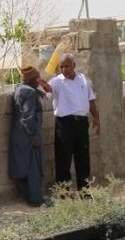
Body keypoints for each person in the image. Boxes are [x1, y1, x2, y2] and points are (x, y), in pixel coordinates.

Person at [45, 53, 100, 190]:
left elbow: (91, 100)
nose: (64, 70)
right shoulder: (56, 81)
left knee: (83, 158)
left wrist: (96, 118)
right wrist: (45, 88)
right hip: (64, 124)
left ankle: (85, 192)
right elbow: (48, 92)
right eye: (61, 67)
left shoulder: (83, 79)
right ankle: (64, 194)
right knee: (63, 160)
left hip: (81, 123)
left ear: (74, 66)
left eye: (67, 66)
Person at [9, 65, 47, 207]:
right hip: (28, 135)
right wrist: (34, 137)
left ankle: (27, 196)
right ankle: (35, 199)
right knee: (33, 168)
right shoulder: (30, 93)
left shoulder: (20, 88)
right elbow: (28, 117)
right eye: (37, 79)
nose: (39, 81)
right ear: (32, 79)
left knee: (23, 166)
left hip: (18, 134)